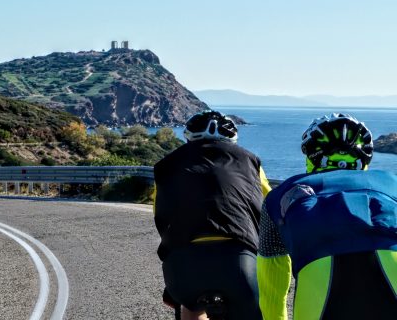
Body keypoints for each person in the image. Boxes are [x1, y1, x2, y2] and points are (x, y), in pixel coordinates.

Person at [257, 113, 397, 320]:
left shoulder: (280, 196)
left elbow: (272, 280)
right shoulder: (391, 182)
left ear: (311, 155)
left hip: (322, 283)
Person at [154, 110, 271, 320]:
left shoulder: (166, 166)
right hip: (238, 262)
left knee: (191, 305)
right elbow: (269, 205)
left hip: (183, 263)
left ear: (189, 136)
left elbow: (160, 215)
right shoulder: (249, 162)